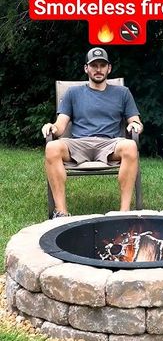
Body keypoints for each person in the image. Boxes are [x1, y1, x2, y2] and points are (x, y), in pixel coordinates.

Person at [42, 47, 143, 218]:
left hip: (110, 144)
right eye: (94, 65)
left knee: (130, 145)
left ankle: (124, 213)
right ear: (86, 68)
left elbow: (135, 120)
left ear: (108, 68)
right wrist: (52, 126)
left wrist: (135, 125)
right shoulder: (73, 93)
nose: (98, 69)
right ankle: (61, 213)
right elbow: (60, 125)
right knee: (51, 147)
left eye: (102, 65)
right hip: (79, 143)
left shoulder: (122, 93)